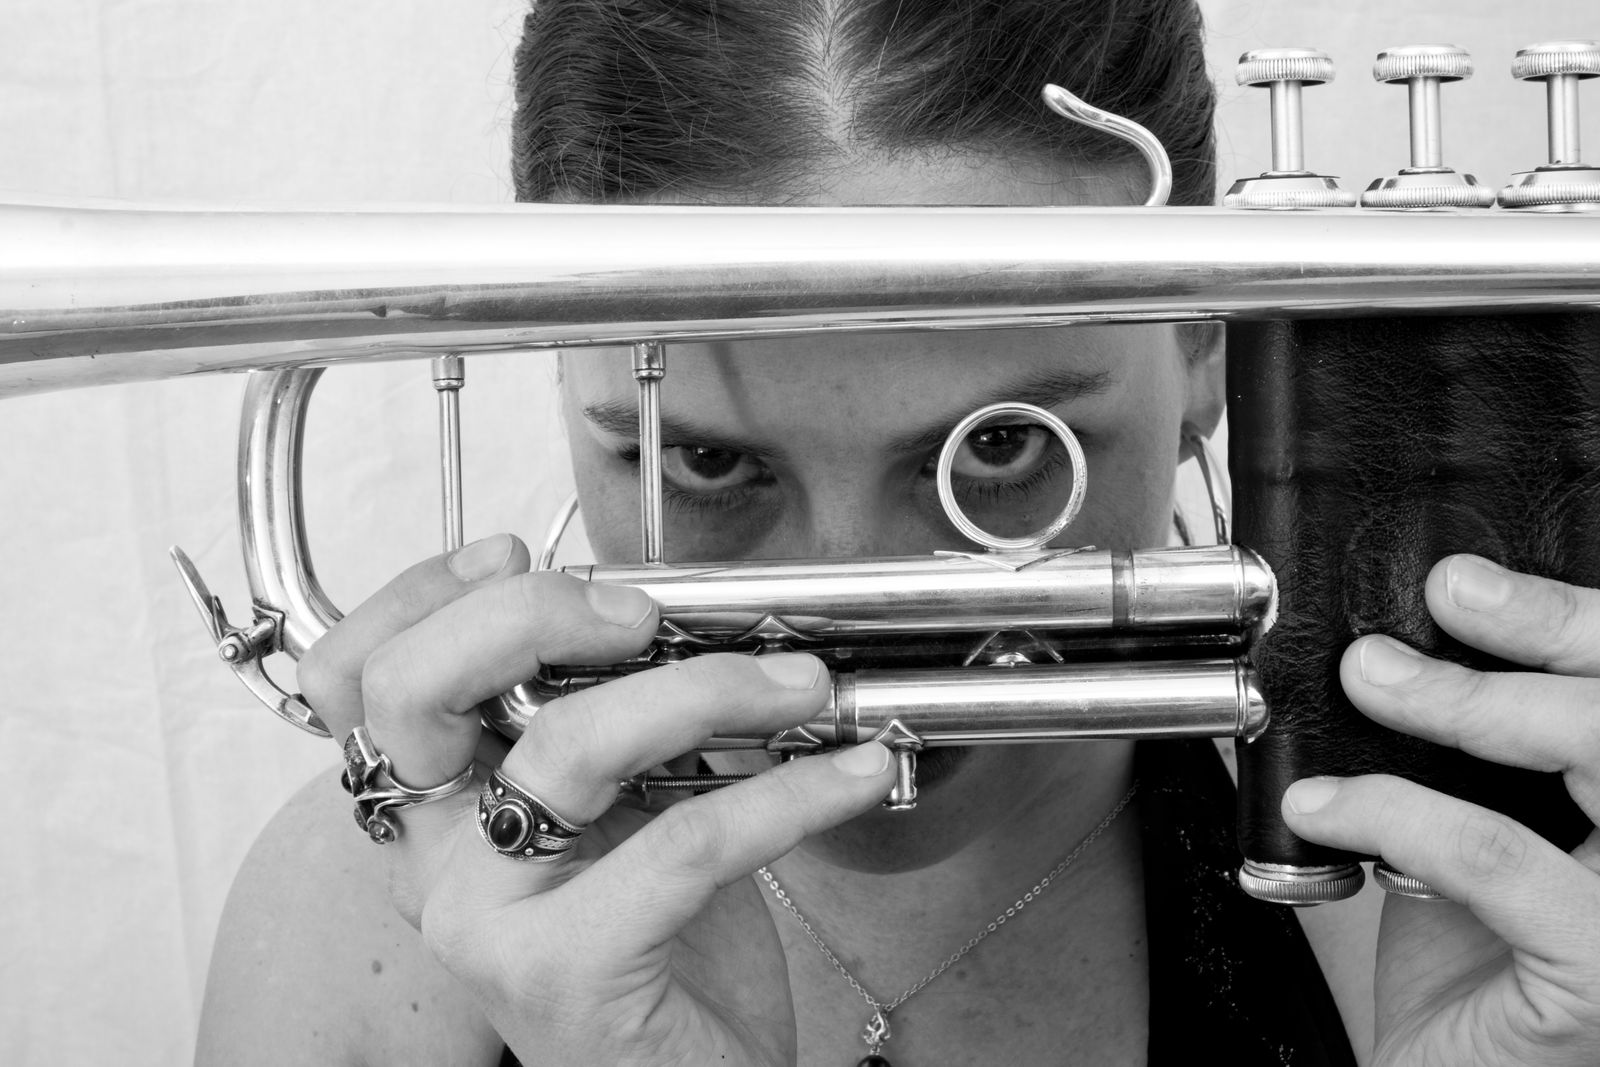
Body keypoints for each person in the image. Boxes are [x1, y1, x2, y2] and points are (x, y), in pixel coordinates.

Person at [194, 2, 1600, 1064]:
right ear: (561, 363)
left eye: (1001, 450)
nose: (840, 638)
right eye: (707, 461)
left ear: (1206, 342)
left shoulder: (1466, 885)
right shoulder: (368, 923)